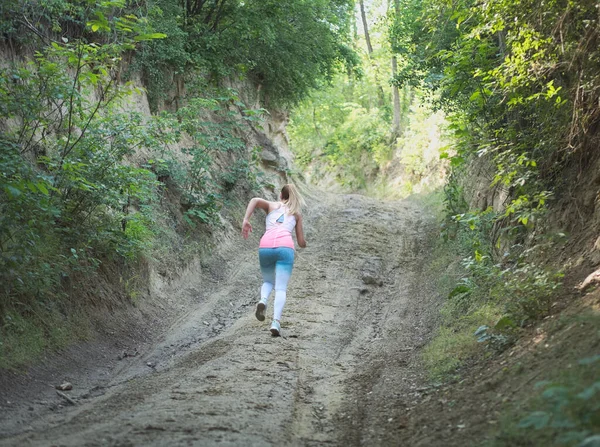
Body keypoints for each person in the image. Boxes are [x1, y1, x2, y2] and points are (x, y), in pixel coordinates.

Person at [242, 184, 307, 336]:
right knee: (281, 288)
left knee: (268, 281)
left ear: (280, 196)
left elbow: (255, 200)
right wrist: (305, 244)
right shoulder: (296, 214)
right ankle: (275, 323)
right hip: (285, 248)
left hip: (265, 246)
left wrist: (246, 219)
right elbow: (301, 242)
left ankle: (263, 300)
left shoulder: (271, 205)